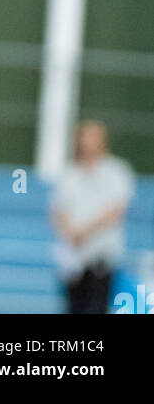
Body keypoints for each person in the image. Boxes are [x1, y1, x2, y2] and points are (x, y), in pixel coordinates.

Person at [51, 121, 135, 315]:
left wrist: (84, 232)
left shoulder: (116, 172)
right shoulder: (69, 174)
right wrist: (70, 233)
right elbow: (58, 210)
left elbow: (115, 211)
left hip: (101, 256)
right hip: (73, 258)